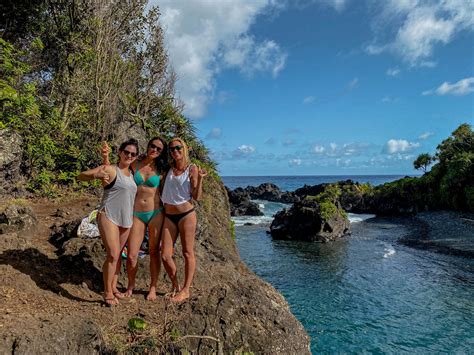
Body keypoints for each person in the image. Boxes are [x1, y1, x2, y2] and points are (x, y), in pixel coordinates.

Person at [102, 136, 168, 300]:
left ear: (162, 152)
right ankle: (130, 286)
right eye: (153, 146)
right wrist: (106, 157)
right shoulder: (134, 163)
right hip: (136, 213)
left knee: (153, 252)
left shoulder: (162, 169)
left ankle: (153, 287)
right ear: (148, 146)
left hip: (156, 213)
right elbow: (115, 169)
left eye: (159, 149)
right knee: (131, 255)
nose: (155, 150)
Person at [78, 138, 138, 306]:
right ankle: (108, 292)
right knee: (112, 254)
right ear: (120, 152)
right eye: (126, 152)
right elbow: (81, 176)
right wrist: (95, 175)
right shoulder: (111, 169)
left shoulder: (132, 173)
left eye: (133, 154)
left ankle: (113, 286)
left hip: (126, 220)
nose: (129, 155)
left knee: (117, 256)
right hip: (108, 215)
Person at [160, 138, 207, 302]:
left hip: (186, 215)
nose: (175, 151)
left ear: (185, 148)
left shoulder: (191, 168)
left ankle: (186, 290)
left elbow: (197, 196)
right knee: (165, 255)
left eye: (178, 148)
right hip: (168, 215)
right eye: (172, 149)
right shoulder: (169, 169)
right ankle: (176, 286)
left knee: (187, 253)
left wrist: (200, 179)